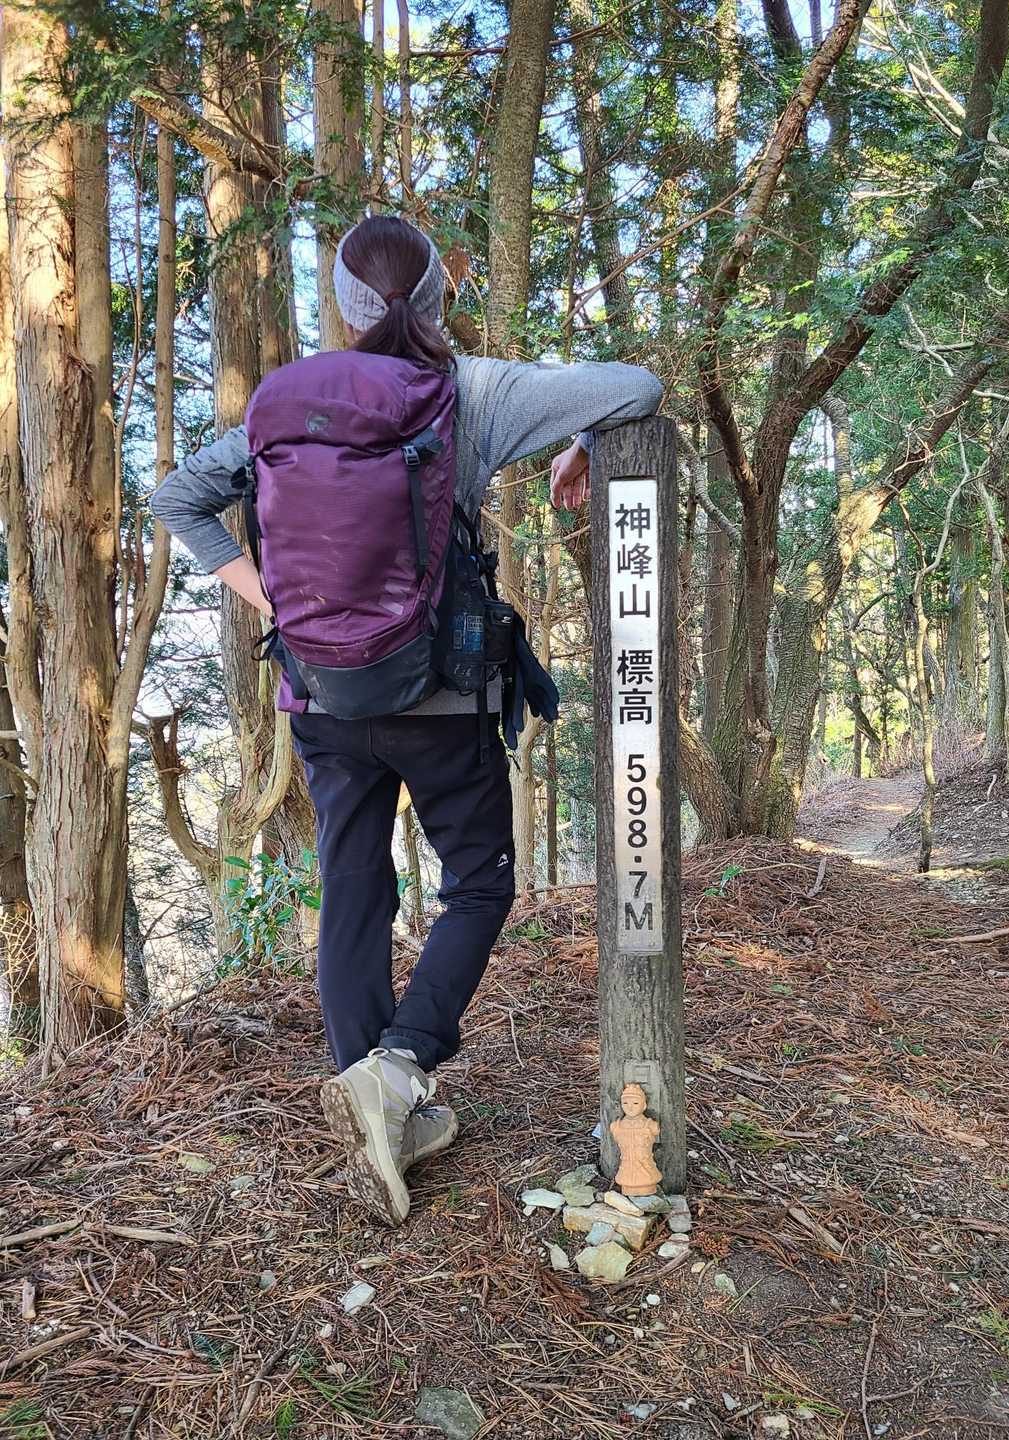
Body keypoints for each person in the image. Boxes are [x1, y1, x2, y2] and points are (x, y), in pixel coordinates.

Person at [151, 214, 663, 1226]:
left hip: (322, 698)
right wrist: (580, 443)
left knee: (352, 887)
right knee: (480, 881)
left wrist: (275, 602)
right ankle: (399, 1070)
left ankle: (378, 1100)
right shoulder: (475, 392)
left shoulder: (284, 408)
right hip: (441, 697)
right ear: (439, 299)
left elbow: (177, 500)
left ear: (345, 309)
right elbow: (636, 387)